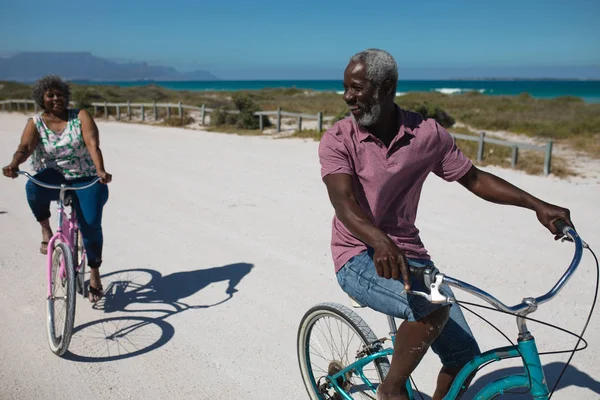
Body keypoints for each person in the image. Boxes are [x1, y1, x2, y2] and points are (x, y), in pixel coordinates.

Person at [318, 49, 573, 400]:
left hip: (410, 255)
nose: (348, 97)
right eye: (345, 87)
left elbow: (474, 179)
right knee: (432, 308)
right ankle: (390, 389)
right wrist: (378, 240)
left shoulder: (426, 135)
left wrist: (537, 205)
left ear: (386, 87)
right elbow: (343, 202)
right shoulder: (338, 139)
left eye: (357, 88)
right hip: (358, 254)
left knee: (464, 356)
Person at [2, 74, 112, 303]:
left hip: (86, 176)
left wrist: (100, 170)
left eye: (60, 94)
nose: (56, 98)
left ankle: (94, 272)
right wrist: (14, 163)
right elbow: (25, 146)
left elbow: (93, 144)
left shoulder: (80, 116)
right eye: (50, 95)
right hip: (53, 176)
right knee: (33, 188)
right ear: (41, 98)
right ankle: (45, 229)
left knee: (90, 225)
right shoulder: (36, 122)